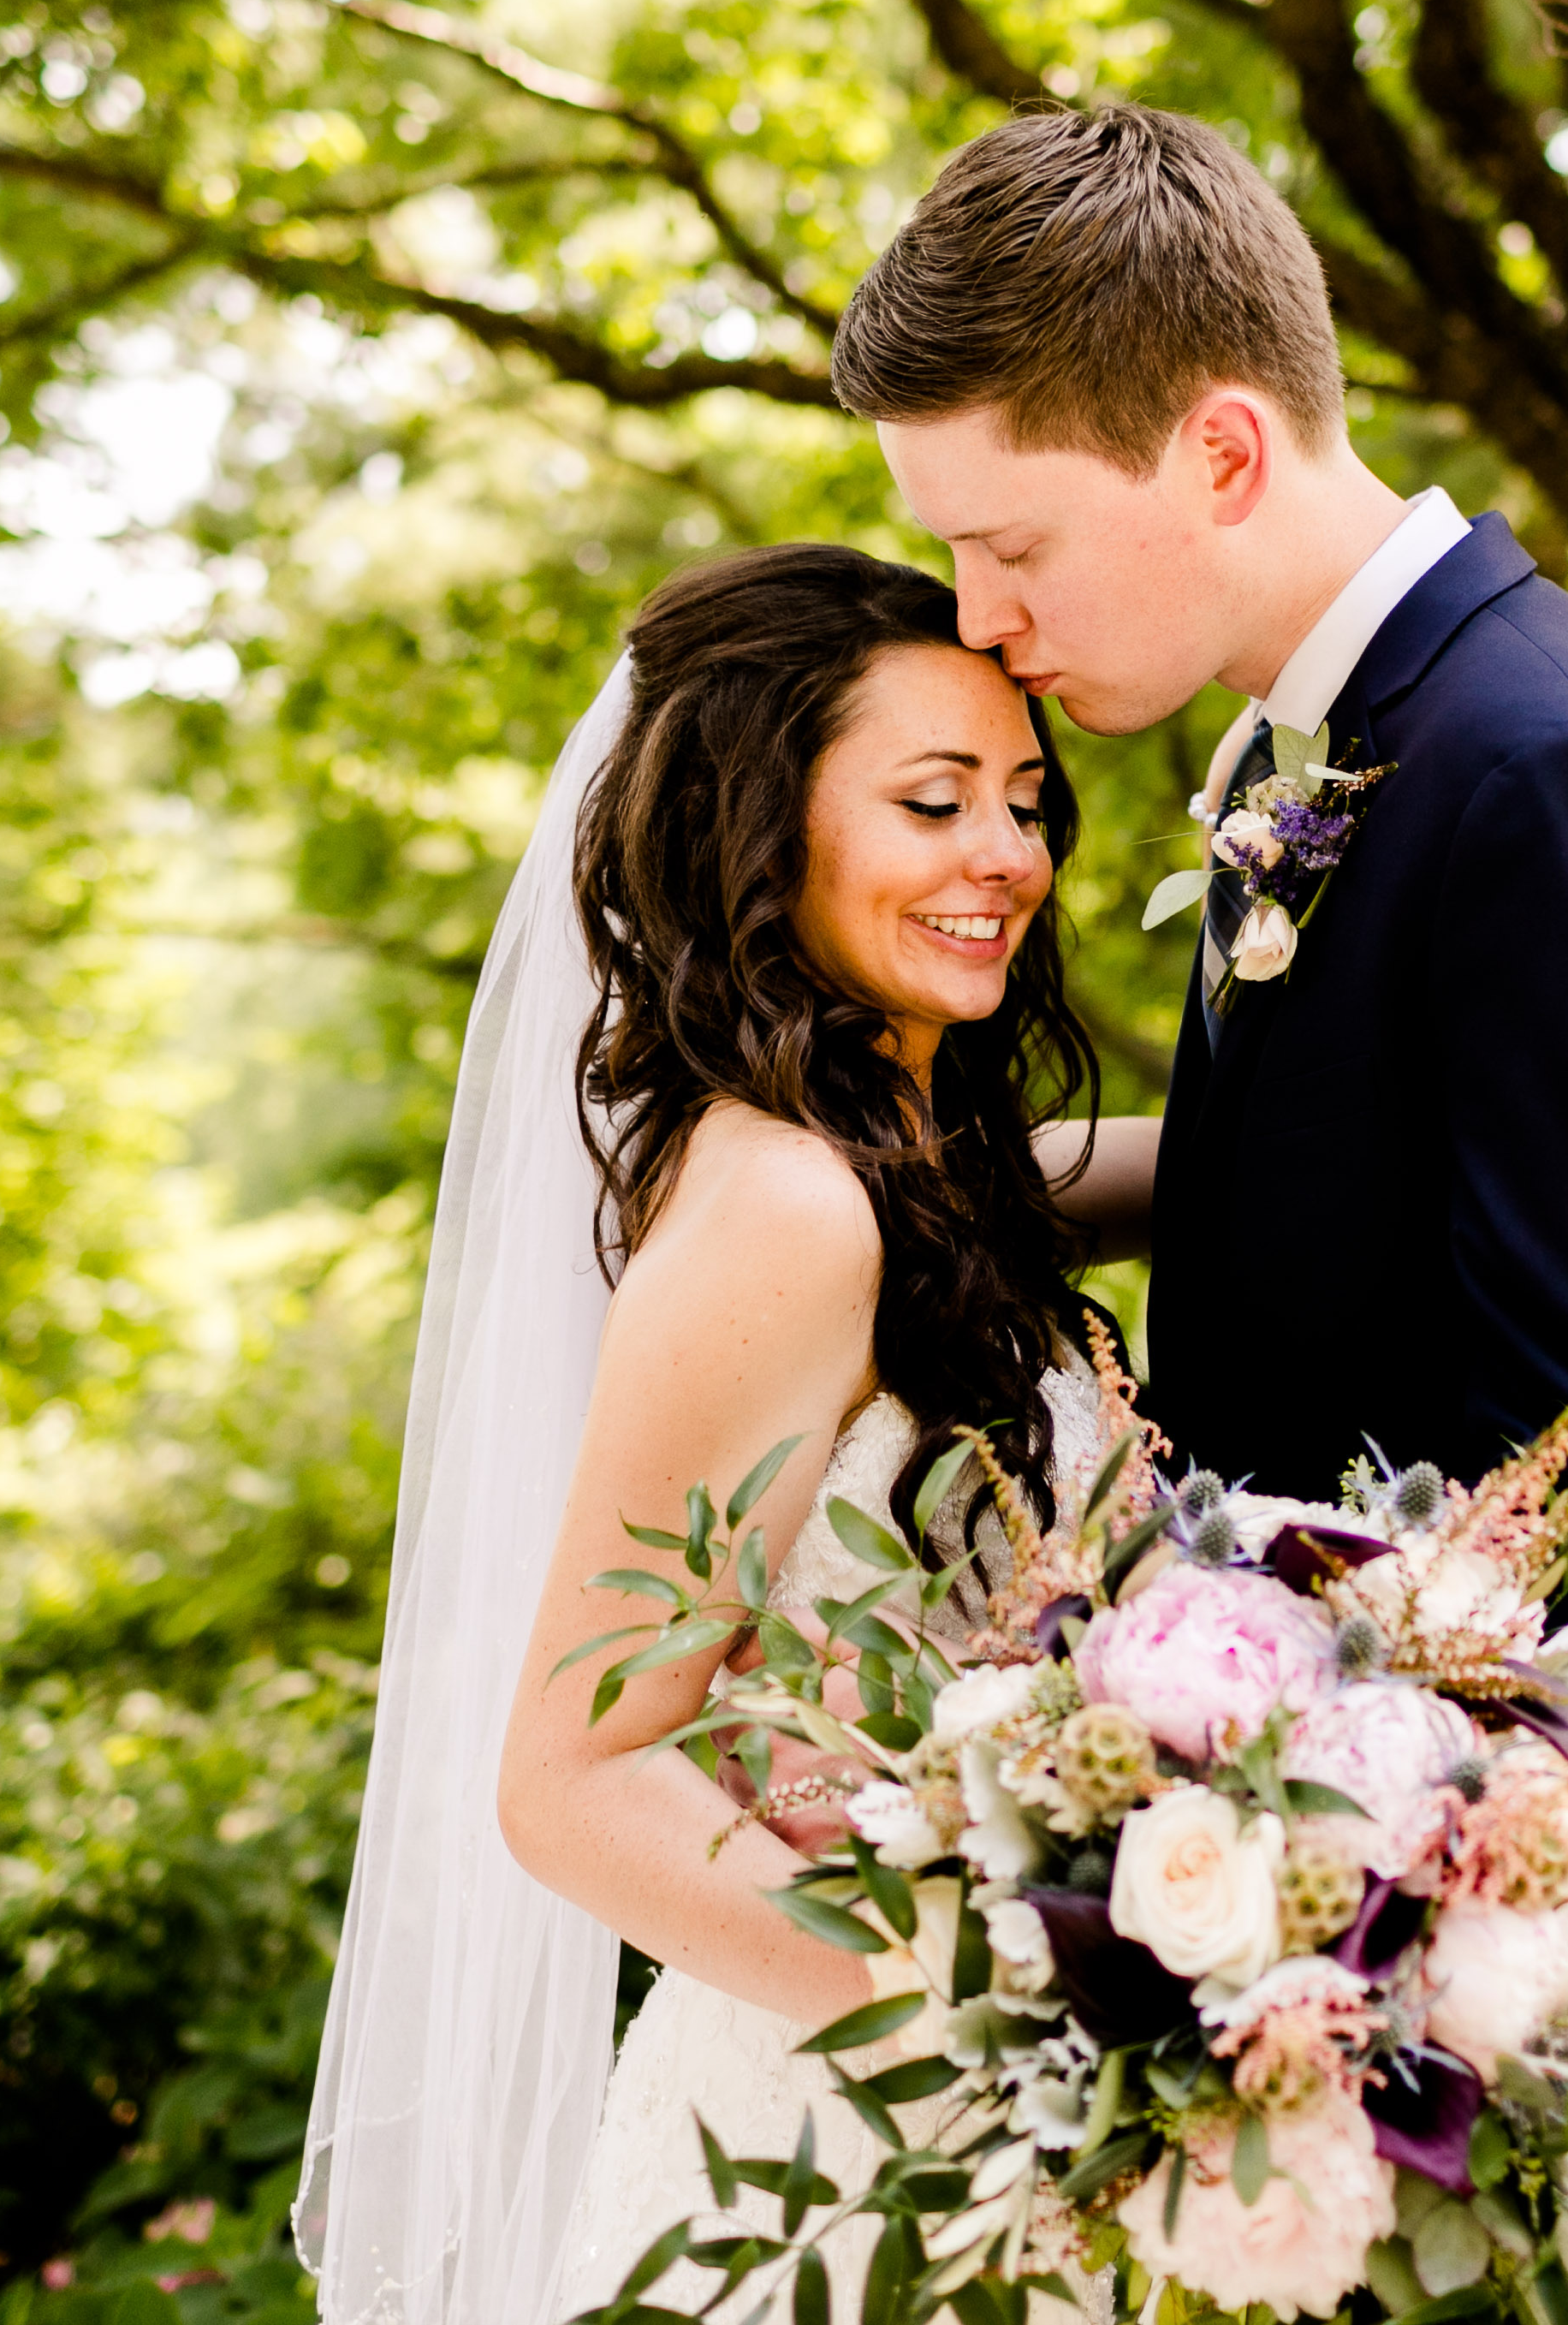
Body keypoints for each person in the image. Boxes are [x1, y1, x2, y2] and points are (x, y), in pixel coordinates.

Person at [833, 102, 1568, 2286]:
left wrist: (1208, 1774)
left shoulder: (1559, 779)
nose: (981, 614)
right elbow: (1343, 1213)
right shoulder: (1334, 751)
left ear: (1221, 452)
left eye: (1014, 538)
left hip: (1554, 2043)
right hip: (1364, 2013)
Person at [294, 544, 1127, 2323]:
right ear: (762, 835)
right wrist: (999, 2021)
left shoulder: (895, 1171)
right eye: (932, 801)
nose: (1007, 857)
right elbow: (575, 1781)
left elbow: (1064, 1187)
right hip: (867, 2134)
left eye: (1027, 801)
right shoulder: (790, 1208)